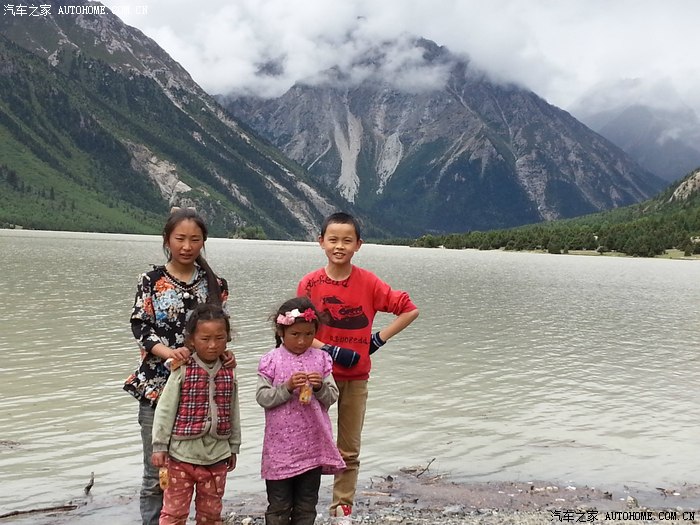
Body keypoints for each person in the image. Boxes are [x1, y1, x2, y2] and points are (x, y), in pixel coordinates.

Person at [297, 212, 419, 523]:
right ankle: (303, 507)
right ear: (321, 242)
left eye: (347, 240)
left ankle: (342, 508)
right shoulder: (310, 284)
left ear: (358, 245)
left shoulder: (368, 282)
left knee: (348, 448)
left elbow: (409, 310)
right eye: (333, 239)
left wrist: (377, 339)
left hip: (355, 377)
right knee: (309, 442)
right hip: (316, 377)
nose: (339, 246)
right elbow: (297, 332)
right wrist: (329, 349)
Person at [123, 207, 233, 525]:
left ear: (203, 242)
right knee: (155, 472)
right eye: (180, 238)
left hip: (200, 390)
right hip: (156, 386)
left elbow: (218, 332)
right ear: (167, 239)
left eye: (194, 239)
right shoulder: (151, 281)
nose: (187, 246)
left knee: (203, 470)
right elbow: (140, 327)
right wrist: (169, 353)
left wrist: (225, 355)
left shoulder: (215, 284)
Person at [256, 296, 346, 525]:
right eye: (295, 334)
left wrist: (320, 387)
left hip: (312, 447)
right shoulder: (271, 361)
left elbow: (332, 396)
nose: (302, 340)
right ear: (281, 332)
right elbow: (263, 398)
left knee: (307, 505)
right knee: (278, 506)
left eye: (308, 334)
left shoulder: (322, 359)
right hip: (280, 449)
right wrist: (286, 388)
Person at [151, 303, 240, 525]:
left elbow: (233, 411)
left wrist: (233, 446)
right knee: (174, 514)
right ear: (191, 340)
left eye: (219, 338)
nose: (212, 345)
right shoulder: (182, 368)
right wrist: (159, 446)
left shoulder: (228, 371)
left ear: (227, 338)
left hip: (217, 456)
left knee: (211, 514)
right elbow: (165, 409)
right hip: (181, 456)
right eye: (205, 339)